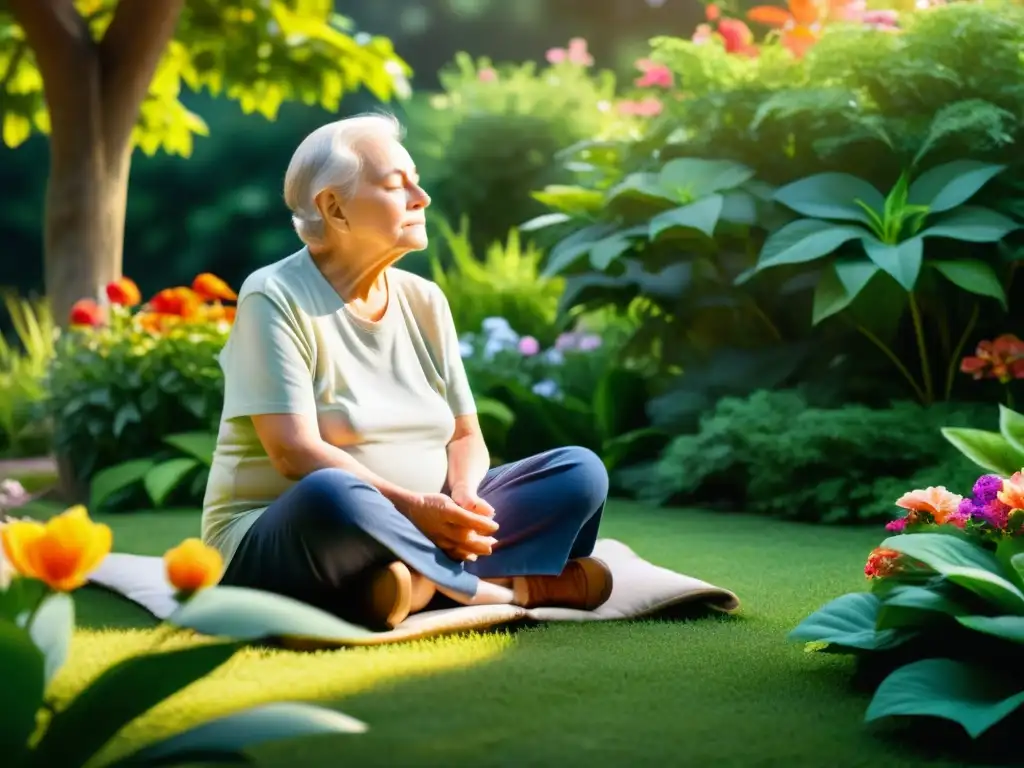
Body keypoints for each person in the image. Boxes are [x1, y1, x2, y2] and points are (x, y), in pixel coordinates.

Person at [201, 112, 613, 631]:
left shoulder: (425, 300)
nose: (422, 197)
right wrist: (414, 509)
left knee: (578, 472)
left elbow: (466, 434)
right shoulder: (274, 295)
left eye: (415, 180)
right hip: (293, 531)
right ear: (335, 208)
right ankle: (496, 589)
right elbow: (293, 452)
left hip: (426, 522)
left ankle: (404, 586)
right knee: (333, 492)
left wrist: (463, 497)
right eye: (398, 185)